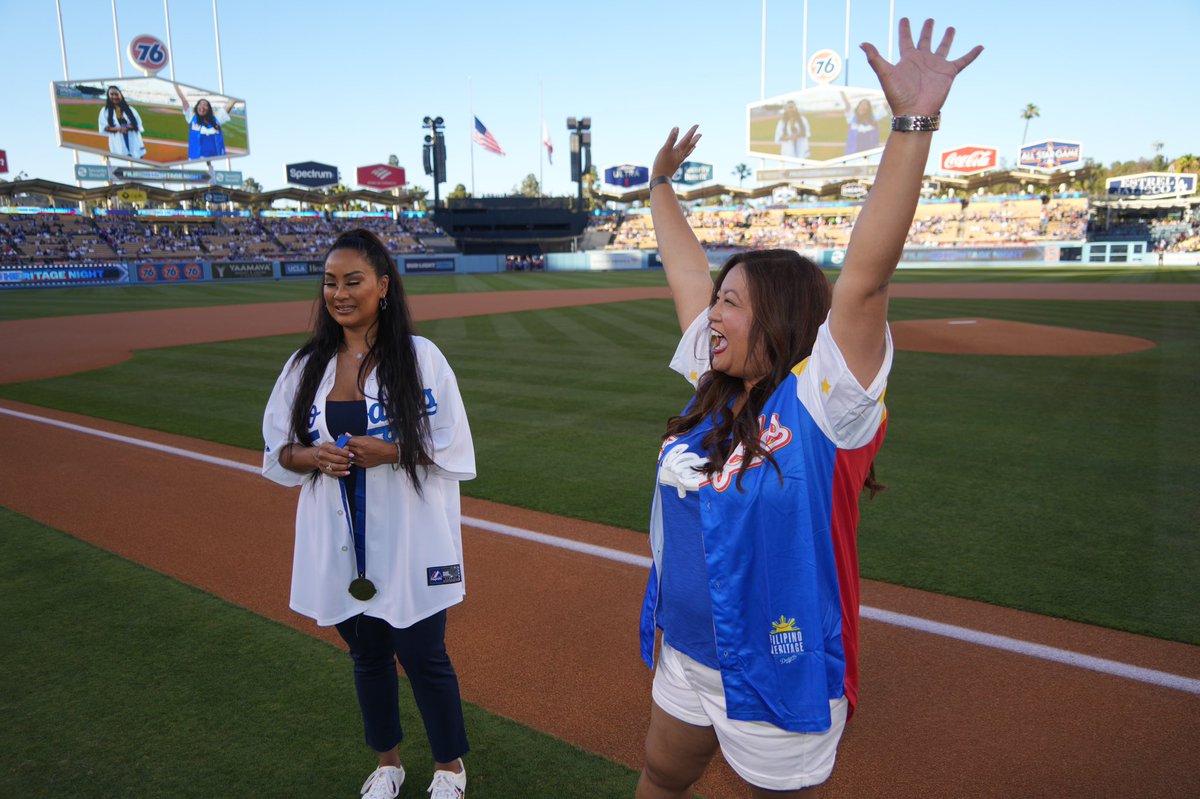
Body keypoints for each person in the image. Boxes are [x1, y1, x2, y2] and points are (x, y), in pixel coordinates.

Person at [637, 19, 981, 798]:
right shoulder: (713, 388)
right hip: (686, 649)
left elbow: (863, 277)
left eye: (731, 305)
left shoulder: (824, 401)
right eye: (716, 301)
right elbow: (687, 273)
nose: (711, 316)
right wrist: (660, 186)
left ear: (783, 323)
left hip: (773, 666)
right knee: (660, 773)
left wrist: (913, 125)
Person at [261, 229, 475, 799]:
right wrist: (310, 455)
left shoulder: (421, 358)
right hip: (339, 538)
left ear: (383, 286)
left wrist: (396, 451)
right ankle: (389, 765)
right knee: (368, 656)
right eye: (330, 282)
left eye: (353, 281)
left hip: (409, 538)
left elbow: (455, 446)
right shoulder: (306, 364)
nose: (339, 293)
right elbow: (277, 451)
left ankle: (450, 769)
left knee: (425, 655)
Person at [174, 82, 240, 159]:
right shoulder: (191, 117)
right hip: (195, 159)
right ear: (196, 107)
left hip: (216, 159)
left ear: (209, 109)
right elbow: (183, 99)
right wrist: (175, 85)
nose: (202, 106)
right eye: (200, 104)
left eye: (205, 105)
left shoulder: (217, 119)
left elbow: (230, 103)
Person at [97, 85, 146, 160]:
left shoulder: (131, 110)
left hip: (134, 141)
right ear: (108, 96)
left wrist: (125, 127)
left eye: (116, 94)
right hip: (117, 143)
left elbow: (138, 125)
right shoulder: (105, 111)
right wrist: (119, 129)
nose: (114, 96)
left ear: (121, 95)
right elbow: (104, 128)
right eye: (112, 94)